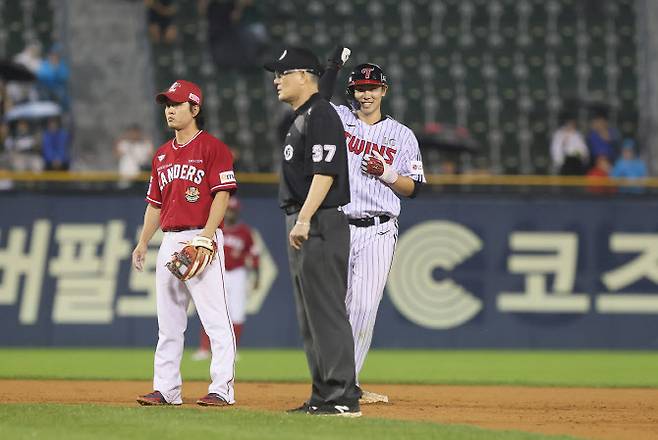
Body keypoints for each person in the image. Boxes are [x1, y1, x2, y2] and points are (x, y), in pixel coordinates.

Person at [320, 50, 426, 404]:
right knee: (334, 308)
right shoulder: (339, 119)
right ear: (352, 91)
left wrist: (387, 173)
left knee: (363, 306)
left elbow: (413, 187)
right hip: (338, 225)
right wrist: (333, 68)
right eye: (360, 87)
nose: (366, 94)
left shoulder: (402, 135)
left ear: (384, 91)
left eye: (372, 87)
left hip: (379, 229)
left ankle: (346, 385)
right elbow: (316, 104)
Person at [264, 47, 361, 417]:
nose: (276, 79)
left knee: (327, 313)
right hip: (305, 220)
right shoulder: (306, 114)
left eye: (282, 73)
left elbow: (326, 172)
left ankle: (342, 396)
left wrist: (304, 219)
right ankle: (323, 394)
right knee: (310, 318)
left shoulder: (320, 114)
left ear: (304, 76)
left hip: (319, 222)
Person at [132, 79, 238, 407]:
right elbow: (155, 204)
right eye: (167, 105)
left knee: (216, 319)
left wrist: (207, 236)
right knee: (169, 323)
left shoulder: (212, 148)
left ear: (195, 108)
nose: (169, 110)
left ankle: (222, 388)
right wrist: (142, 242)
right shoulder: (161, 155)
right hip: (170, 240)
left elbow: (222, 195)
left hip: (201, 237)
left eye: (176, 104)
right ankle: (166, 389)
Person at [194, 196, 260, 360]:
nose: (230, 213)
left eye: (233, 210)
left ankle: (232, 350)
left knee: (236, 312)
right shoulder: (214, 229)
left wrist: (257, 276)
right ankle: (204, 349)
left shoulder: (244, 232)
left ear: (237, 212)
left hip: (238, 274)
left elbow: (254, 255)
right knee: (211, 310)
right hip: (217, 272)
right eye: (228, 209)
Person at [114, 124, 154, 188]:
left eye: (136, 132)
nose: (134, 134)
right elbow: (116, 154)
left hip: (141, 180)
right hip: (126, 179)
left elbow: (153, 157)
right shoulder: (124, 144)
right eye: (132, 132)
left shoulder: (145, 145)